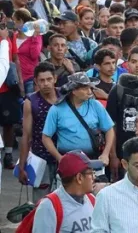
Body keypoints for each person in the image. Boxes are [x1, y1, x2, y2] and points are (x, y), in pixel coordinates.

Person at [42, 73, 115, 165]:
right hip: (68, 160)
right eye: (85, 88)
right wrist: (59, 158)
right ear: (74, 91)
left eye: (90, 88)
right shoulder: (56, 109)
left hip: (94, 158)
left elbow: (109, 129)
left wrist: (105, 154)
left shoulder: (96, 105)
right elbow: (46, 137)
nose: (89, 92)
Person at [19, 62, 61, 200]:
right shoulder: (31, 102)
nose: (46, 83)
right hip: (41, 158)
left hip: (64, 156)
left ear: (55, 78)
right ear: (35, 81)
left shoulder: (65, 97)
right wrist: (22, 165)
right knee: (41, 203)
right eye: (42, 80)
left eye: (49, 79)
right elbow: (26, 136)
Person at [30, 150, 99, 233]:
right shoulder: (49, 206)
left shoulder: (92, 200)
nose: (94, 177)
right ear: (79, 178)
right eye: (91, 173)